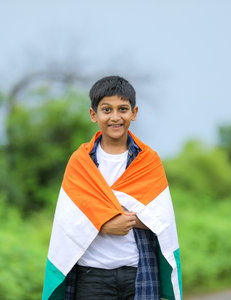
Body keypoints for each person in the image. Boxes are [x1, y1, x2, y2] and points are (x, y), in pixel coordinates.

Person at [42, 76, 182, 300]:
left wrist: (129, 221)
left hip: (138, 273)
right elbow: (68, 221)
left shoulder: (148, 161)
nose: (115, 117)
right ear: (93, 114)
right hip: (91, 275)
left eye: (123, 109)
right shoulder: (80, 162)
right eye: (107, 110)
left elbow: (163, 220)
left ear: (134, 113)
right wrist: (104, 225)